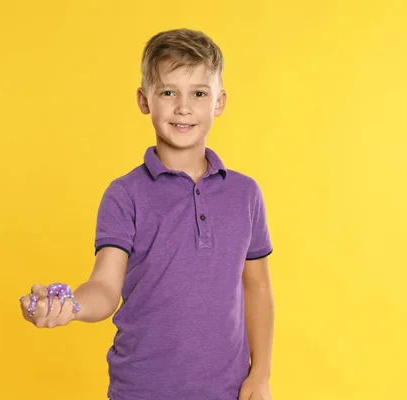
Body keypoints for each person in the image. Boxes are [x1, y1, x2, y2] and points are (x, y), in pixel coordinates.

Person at [19, 28, 275, 400]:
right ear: (144, 100)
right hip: (140, 390)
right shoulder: (125, 195)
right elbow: (105, 288)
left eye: (199, 93)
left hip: (227, 391)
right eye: (168, 92)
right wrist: (69, 306)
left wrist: (261, 376)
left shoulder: (245, 193)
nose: (183, 107)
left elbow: (258, 287)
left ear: (219, 102)